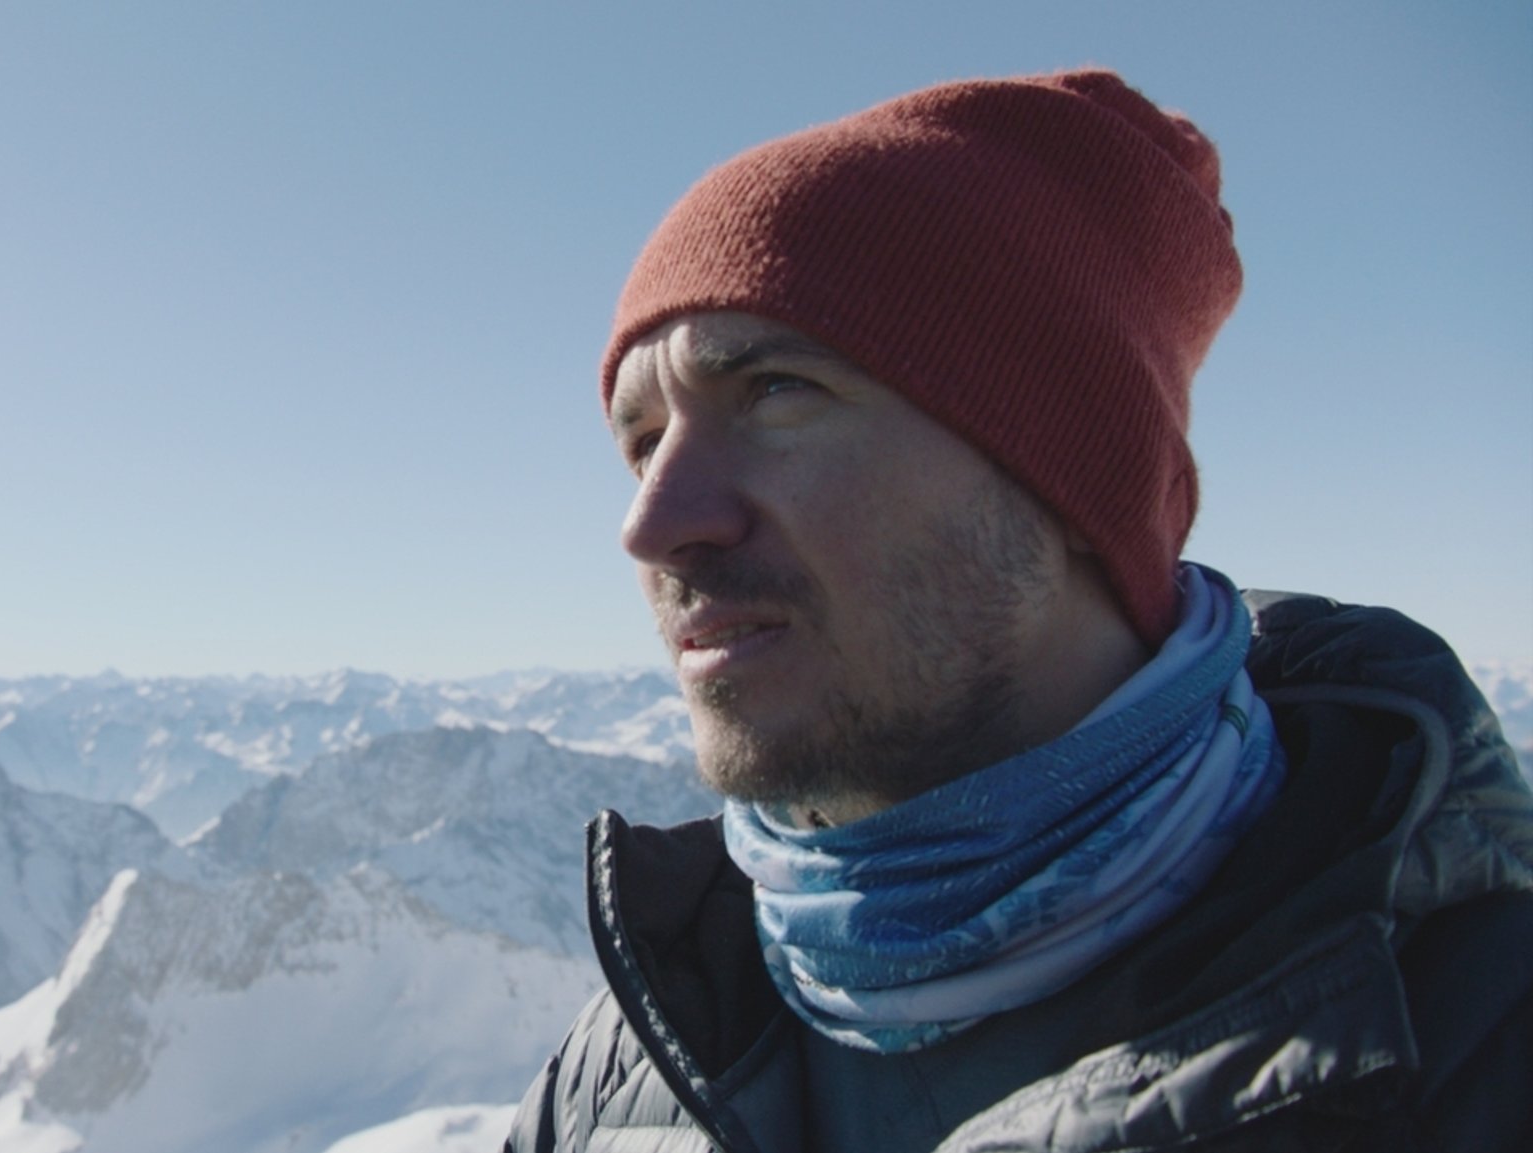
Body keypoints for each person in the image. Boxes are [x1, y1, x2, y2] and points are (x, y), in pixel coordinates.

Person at [506, 69, 1533, 1153]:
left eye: (774, 391)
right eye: (639, 442)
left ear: (1070, 483)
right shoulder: (628, 1067)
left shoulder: (1471, 1049)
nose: (652, 521)